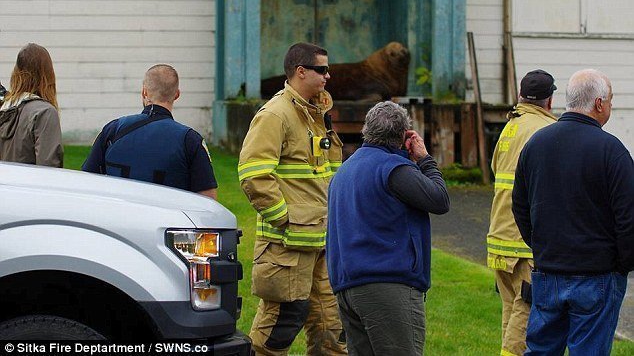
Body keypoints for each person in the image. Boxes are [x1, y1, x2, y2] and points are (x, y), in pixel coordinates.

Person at [513, 69, 634, 355]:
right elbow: (628, 217)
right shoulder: (612, 150)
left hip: (548, 271)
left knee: (541, 349)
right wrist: (623, 264)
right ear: (600, 104)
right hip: (598, 275)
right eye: (611, 101)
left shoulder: (536, 145)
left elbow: (519, 204)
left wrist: (541, 245)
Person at [238, 42, 346, 355]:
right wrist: (285, 218)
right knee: (279, 327)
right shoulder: (276, 114)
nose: (328, 76)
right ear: (300, 72)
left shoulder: (317, 113)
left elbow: (328, 172)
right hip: (287, 246)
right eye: (321, 69)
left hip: (322, 242)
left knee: (332, 327)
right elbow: (254, 174)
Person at [327, 101, 450, 356]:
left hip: (347, 286)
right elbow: (439, 200)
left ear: (366, 131)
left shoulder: (344, 171)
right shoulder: (393, 169)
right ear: (404, 135)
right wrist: (425, 160)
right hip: (387, 286)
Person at [486, 69, 558, 356]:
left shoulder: (510, 127)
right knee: (526, 313)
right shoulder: (544, 130)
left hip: (499, 238)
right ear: (550, 100)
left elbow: (494, 170)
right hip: (523, 243)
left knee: (510, 311)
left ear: (521, 96)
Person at [82, 64, 217, 199]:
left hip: (117, 217)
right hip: (168, 219)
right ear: (176, 94)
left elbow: (86, 181)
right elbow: (208, 199)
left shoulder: (113, 130)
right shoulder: (189, 140)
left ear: (144, 92)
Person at [0, 43, 63, 167]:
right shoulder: (45, 112)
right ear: (48, 74)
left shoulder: (4, 108)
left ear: (16, 72)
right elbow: (49, 169)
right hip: (28, 186)